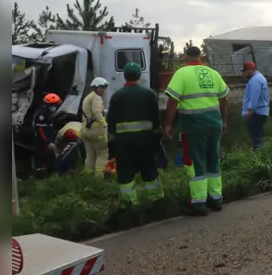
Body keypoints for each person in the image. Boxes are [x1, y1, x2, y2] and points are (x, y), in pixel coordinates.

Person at [164, 46, 229, 216]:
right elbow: (224, 99)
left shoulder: (181, 74)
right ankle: (216, 199)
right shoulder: (213, 73)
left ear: (186, 57)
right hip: (214, 123)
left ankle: (199, 203)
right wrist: (224, 121)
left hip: (194, 125)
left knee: (195, 162)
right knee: (213, 159)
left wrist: (168, 124)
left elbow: (172, 101)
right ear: (200, 56)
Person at [107, 62, 165, 205]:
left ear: (124, 76)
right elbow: (156, 122)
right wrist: (156, 142)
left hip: (123, 144)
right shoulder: (149, 94)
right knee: (150, 172)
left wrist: (112, 150)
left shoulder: (116, 96)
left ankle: (129, 206)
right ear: (139, 76)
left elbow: (111, 125)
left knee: (125, 175)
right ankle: (156, 203)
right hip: (146, 142)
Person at [82, 77, 110, 176]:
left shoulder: (88, 97)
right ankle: (99, 179)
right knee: (102, 154)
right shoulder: (96, 98)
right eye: (102, 87)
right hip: (96, 130)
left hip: (86, 130)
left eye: (104, 88)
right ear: (96, 87)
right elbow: (97, 113)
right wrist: (105, 124)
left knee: (90, 156)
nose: (104, 90)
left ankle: (88, 177)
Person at [32, 93, 62, 177]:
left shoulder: (46, 112)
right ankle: (41, 176)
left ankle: (47, 173)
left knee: (47, 158)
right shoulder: (42, 114)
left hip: (45, 141)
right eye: (55, 105)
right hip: (41, 142)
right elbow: (40, 129)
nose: (55, 107)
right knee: (41, 158)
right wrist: (48, 142)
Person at [242, 61, 270, 151]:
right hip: (259, 112)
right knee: (257, 135)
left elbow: (255, 96)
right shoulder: (258, 78)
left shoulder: (255, 80)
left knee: (256, 137)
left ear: (250, 70)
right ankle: (258, 154)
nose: (244, 73)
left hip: (256, 112)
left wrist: (250, 110)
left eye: (245, 71)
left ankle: (258, 156)